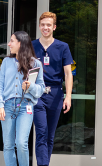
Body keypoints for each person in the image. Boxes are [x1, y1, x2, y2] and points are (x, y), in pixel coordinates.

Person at [0, 31, 45, 166]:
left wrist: (31, 86)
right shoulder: (6, 61)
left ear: (20, 43)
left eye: (12, 41)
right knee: (8, 145)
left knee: (21, 143)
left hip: (26, 106)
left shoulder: (36, 64)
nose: (9, 44)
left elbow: (41, 89)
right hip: (7, 106)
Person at [31, 12, 73, 166]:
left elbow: (68, 74)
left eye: (48, 25)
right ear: (39, 26)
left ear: (54, 27)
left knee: (49, 136)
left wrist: (68, 96)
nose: (45, 27)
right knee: (41, 133)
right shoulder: (32, 45)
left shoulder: (63, 47)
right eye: (43, 24)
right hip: (37, 94)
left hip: (55, 94)